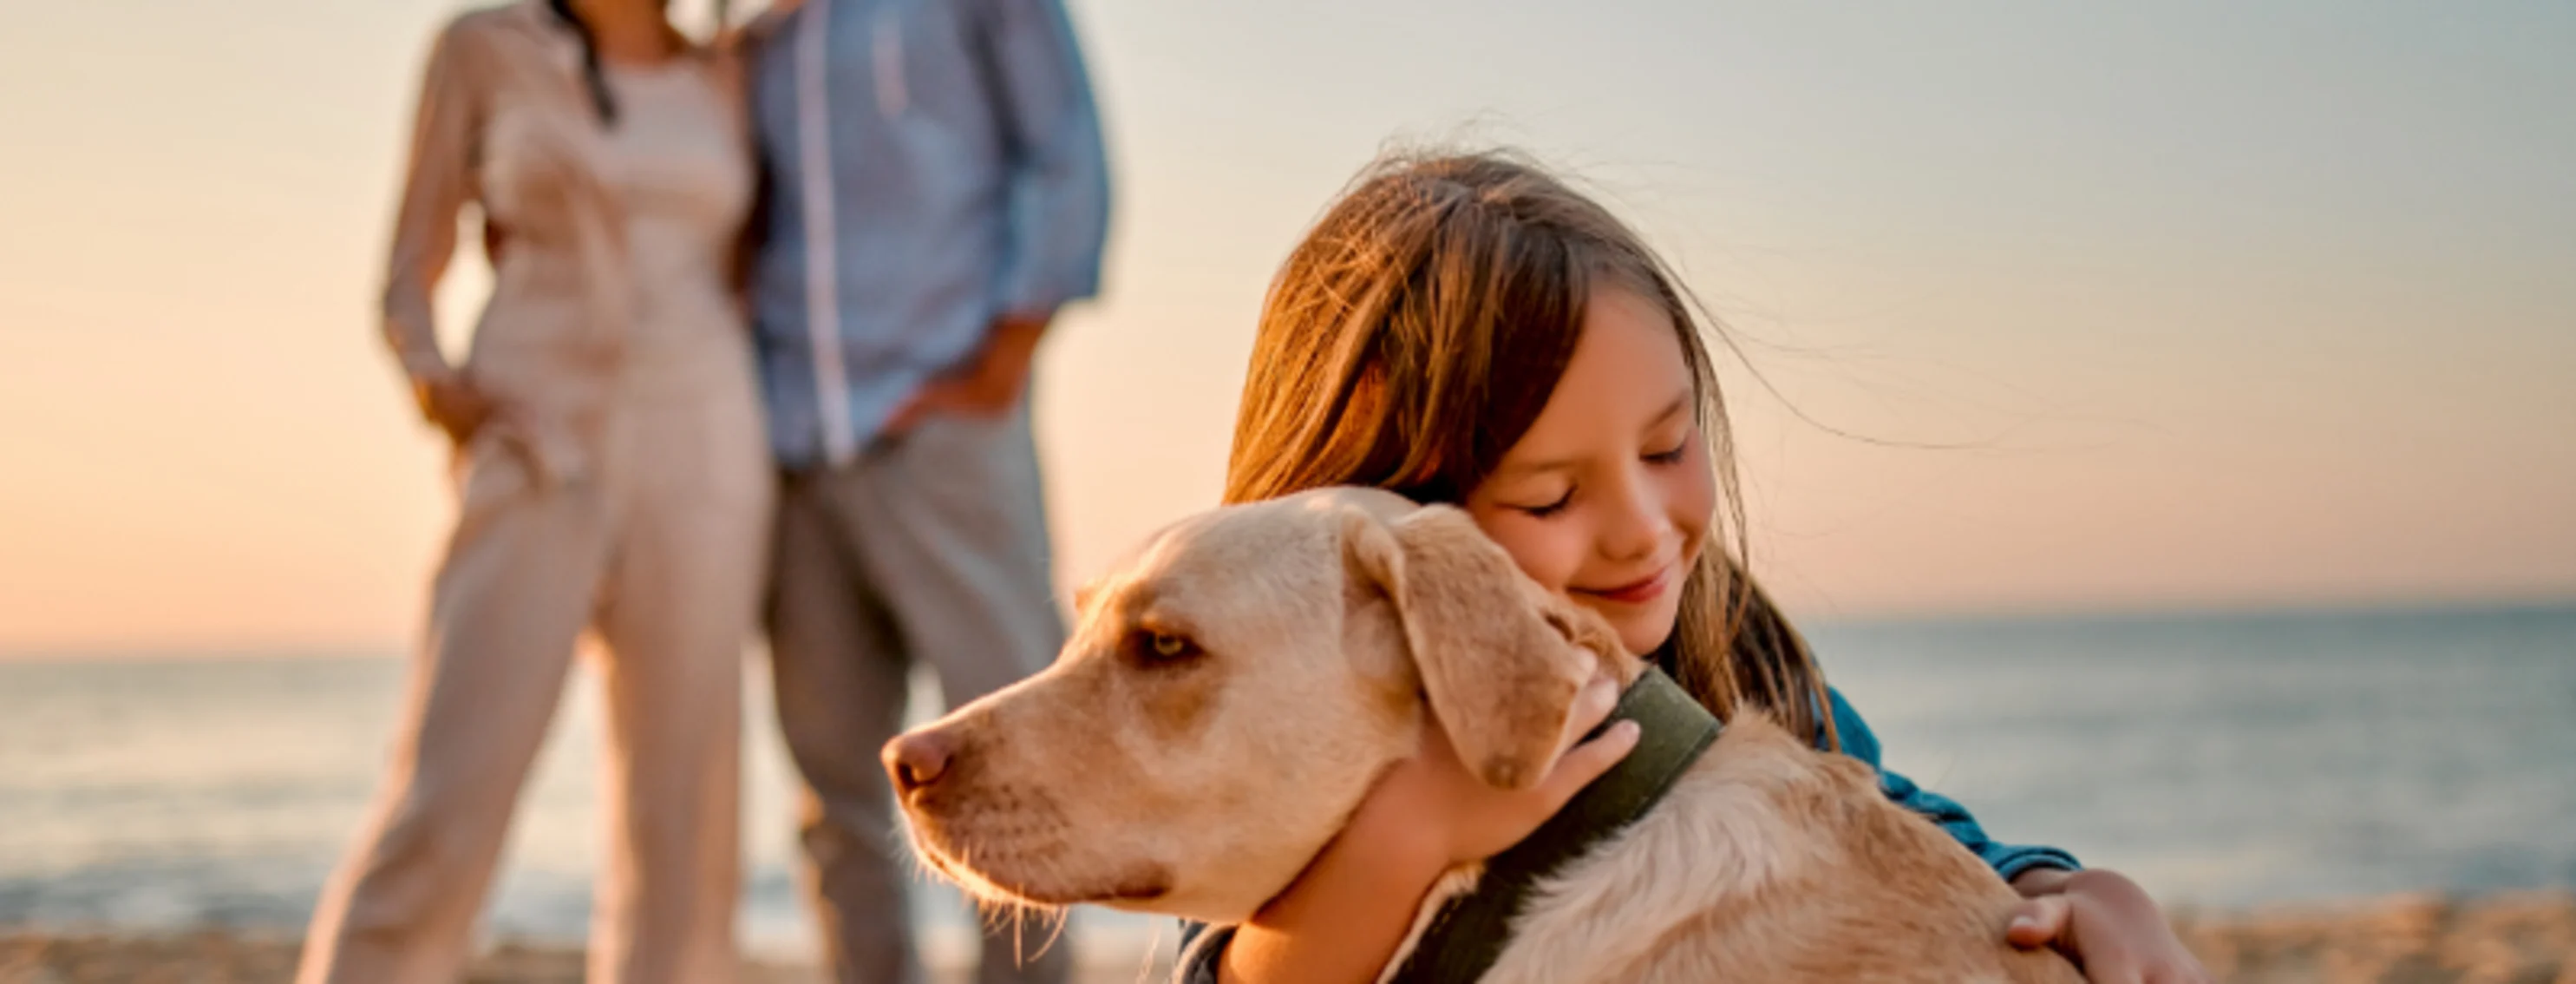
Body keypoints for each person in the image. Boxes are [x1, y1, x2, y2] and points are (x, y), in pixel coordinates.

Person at [1178, 149, 2211, 984]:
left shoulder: (1731, 659)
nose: (1643, 532)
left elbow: (1898, 830)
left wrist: (2060, 888)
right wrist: (1405, 841)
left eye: (1668, 448)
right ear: (1381, 512)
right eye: (1550, 496)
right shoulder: (1301, 715)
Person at [298, 2, 773, 981]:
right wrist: (439, 385)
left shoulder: (724, 75)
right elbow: (409, 267)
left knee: (687, 815)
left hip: (708, 441)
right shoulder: (485, 49)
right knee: (452, 787)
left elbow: (745, 270)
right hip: (538, 431)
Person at [729, 0, 1109, 981]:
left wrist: (1001, 362)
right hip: (795, 444)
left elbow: (1066, 153)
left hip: (945, 428)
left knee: (1022, 756)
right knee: (832, 782)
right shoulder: (763, 32)